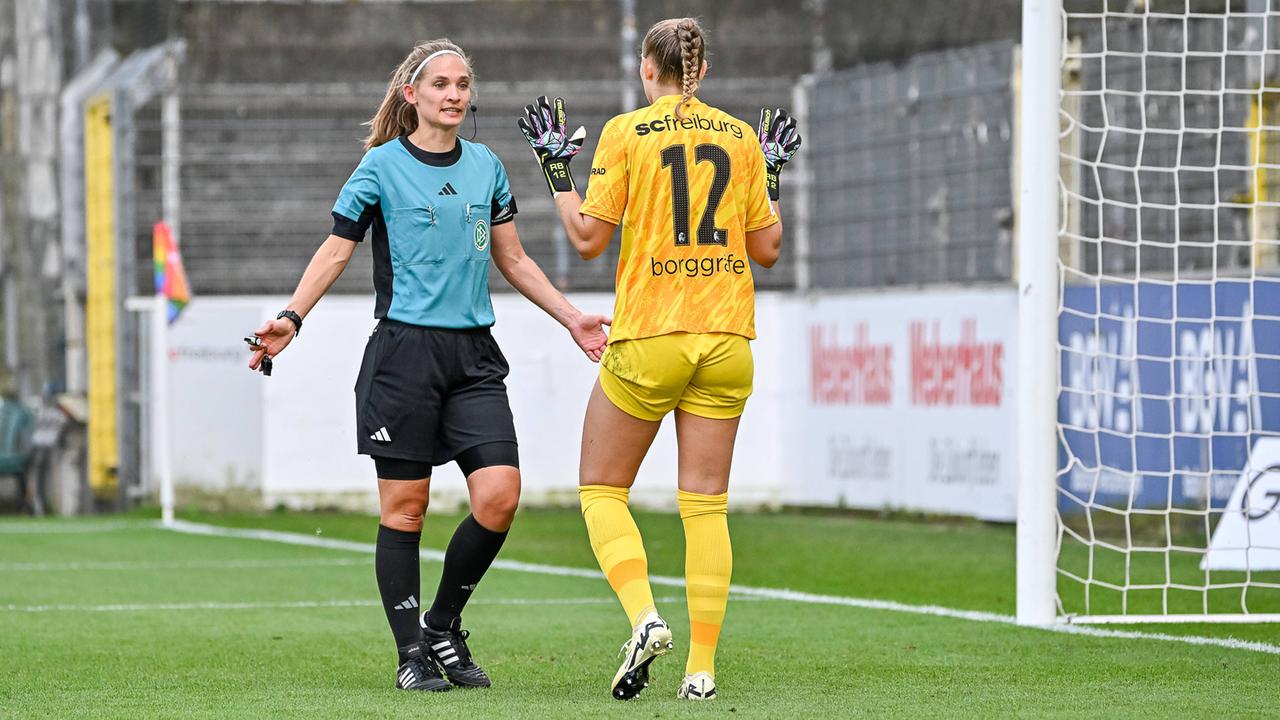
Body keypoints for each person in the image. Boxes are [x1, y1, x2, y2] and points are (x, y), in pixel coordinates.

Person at [247, 39, 609, 693]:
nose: (453, 93)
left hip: (473, 356)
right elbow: (335, 252)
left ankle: (443, 624)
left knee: (499, 497)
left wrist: (572, 317)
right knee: (407, 510)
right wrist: (291, 320)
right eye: (440, 83)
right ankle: (410, 652)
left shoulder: (487, 167)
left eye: (463, 84)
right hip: (404, 356)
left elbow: (515, 260)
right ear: (411, 95)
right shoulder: (379, 168)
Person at [517, 17, 801, 702]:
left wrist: (556, 169)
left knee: (602, 490)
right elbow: (768, 251)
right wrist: (773, 174)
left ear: (650, 68)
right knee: (706, 507)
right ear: (702, 71)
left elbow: (587, 238)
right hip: (728, 338)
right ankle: (701, 673)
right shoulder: (738, 138)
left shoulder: (623, 133)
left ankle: (645, 619)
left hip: (653, 335)